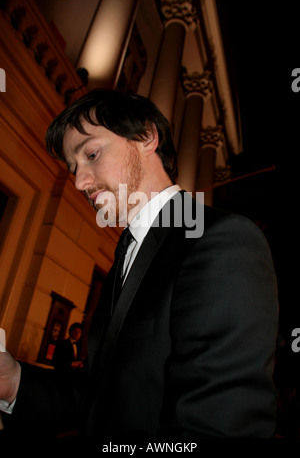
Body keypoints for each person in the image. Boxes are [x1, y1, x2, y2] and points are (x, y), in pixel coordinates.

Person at [0, 89, 278, 442]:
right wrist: (12, 383)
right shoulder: (128, 254)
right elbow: (100, 396)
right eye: (74, 168)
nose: (80, 182)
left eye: (91, 154)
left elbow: (219, 425)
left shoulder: (220, 239)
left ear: (146, 136)